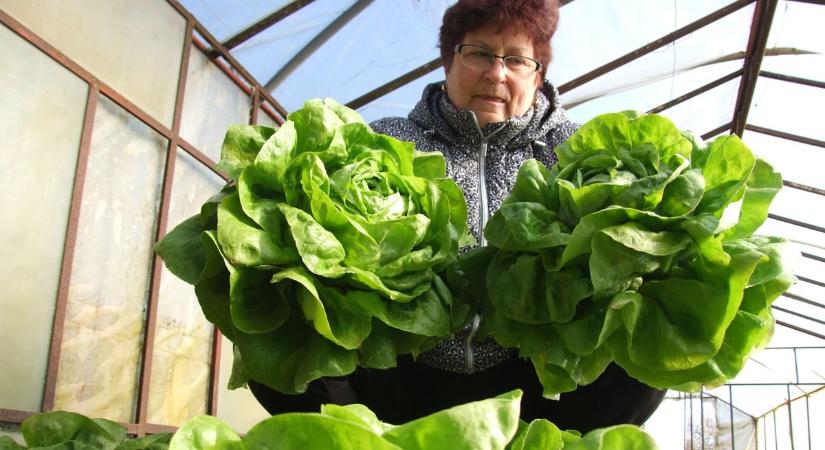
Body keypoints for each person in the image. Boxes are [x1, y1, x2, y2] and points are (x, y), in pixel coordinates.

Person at [251, 0, 666, 432]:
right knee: (276, 315)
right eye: (480, 53)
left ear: (538, 73)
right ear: (449, 60)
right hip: (398, 364)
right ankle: (360, 439)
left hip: (534, 377)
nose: (496, 73)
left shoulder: (577, 155)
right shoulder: (384, 141)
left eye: (517, 60)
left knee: (647, 325)